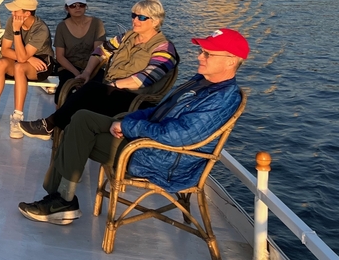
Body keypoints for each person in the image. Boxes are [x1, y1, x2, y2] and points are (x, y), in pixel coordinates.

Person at [18, 28, 248, 224]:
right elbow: (158, 110)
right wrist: (128, 121)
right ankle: (59, 197)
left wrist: (130, 128)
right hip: (147, 141)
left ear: (230, 60)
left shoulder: (223, 97)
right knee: (81, 117)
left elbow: (179, 136)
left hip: (163, 159)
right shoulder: (200, 81)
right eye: (201, 51)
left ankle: (63, 201)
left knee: (78, 134)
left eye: (208, 53)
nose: (200, 57)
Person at [19, 0, 178, 139]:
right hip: (112, 92)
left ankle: (50, 125)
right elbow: (100, 51)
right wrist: (87, 72)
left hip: (135, 99)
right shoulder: (127, 37)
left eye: (141, 17)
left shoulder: (164, 48)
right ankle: (60, 131)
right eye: (133, 15)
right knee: (82, 91)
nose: (135, 20)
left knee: (91, 90)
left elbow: (145, 79)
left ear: (155, 21)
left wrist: (113, 85)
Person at [0, 0, 54, 138]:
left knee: (19, 67)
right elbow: (4, 50)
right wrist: (29, 59)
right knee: (1, 63)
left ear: (27, 13)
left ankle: (17, 118)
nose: (12, 13)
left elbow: (22, 59)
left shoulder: (41, 29)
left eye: (16, 10)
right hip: (26, 58)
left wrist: (17, 32)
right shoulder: (12, 20)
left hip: (42, 63)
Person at [52, 0, 106, 96]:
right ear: (67, 8)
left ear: (85, 6)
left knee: (99, 91)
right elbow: (60, 57)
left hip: (92, 66)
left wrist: (87, 72)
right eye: (73, 5)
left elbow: (98, 52)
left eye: (81, 5)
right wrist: (77, 74)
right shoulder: (61, 27)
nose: (77, 8)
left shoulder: (97, 24)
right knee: (63, 92)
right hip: (69, 66)